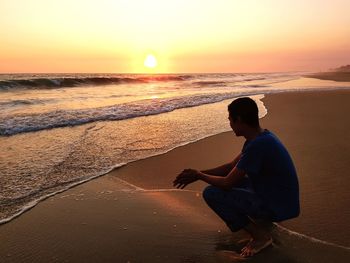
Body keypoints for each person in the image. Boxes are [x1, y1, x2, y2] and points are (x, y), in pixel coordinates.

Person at [173, 97, 300, 257]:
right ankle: (263, 221)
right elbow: (231, 167)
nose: (230, 125)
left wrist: (199, 176)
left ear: (238, 120)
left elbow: (227, 183)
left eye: (230, 120)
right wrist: (198, 173)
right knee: (237, 181)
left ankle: (261, 236)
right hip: (281, 199)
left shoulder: (257, 146)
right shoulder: (261, 138)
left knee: (212, 193)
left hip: (279, 206)